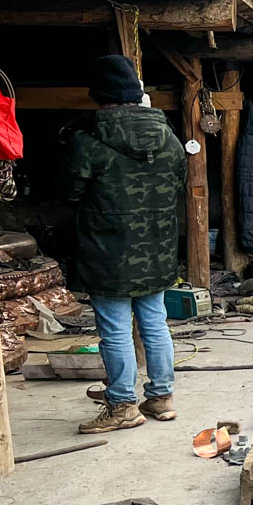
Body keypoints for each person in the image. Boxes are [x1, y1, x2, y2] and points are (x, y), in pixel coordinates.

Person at [66, 55, 186, 434]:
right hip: (158, 245)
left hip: (108, 250)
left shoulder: (88, 140)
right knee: (155, 321)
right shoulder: (168, 136)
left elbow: (70, 191)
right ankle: (161, 397)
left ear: (100, 97)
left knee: (115, 328)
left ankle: (121, 404)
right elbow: (178, 182)